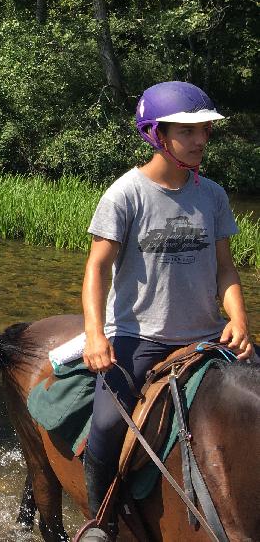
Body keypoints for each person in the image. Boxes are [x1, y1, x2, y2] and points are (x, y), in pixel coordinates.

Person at [79, 81, 254, 541]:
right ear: (157, 134)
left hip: (206, 336)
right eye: (188, 131)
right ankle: (101, 521)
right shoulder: (125, 194)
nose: (201, 141)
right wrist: (97, 336)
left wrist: (238, 319)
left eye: (205, 131)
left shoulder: (212, 195)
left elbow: (225, 270)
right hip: (140, 338)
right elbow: (96, 270)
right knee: (109, 424)